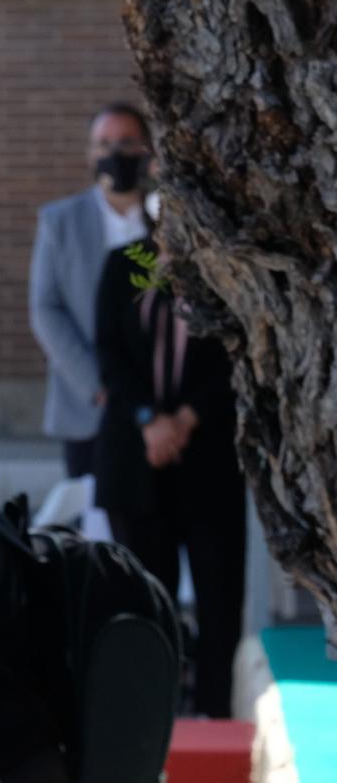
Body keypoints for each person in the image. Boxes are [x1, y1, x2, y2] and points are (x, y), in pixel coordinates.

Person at [94, 236, 244, 718]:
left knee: (219, 609)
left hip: (209, 464)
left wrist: (185, 418)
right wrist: (150, 420)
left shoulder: (224, 267)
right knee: (145, 608)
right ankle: (149, 726)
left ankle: (217, 722)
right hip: (137, 463)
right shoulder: (125, 264)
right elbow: (109, 352)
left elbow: (236, 352)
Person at [31, 104, 154, 478]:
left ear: (147, 149)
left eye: (127, 142)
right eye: (104, 144)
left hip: (165, 409)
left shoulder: (175, 219)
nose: (115, 153)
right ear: (90, 154)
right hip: (92, 408)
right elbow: (46, 308)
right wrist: (99, 385)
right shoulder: (60, 221)